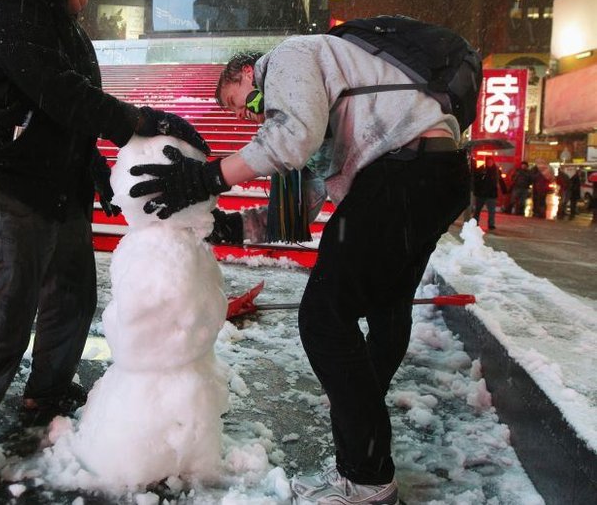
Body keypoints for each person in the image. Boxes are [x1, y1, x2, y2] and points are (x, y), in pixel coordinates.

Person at [129, 42, 470, 505]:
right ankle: (363, 456)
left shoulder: (288, 59)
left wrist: (207, 178)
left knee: (324, 317)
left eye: (236, 102)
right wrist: (230, 226)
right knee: (387, 312)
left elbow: (289, 141)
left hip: (404, 171)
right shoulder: (319, 102)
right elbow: (297, 209)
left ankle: (367, 475)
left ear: (249, 72)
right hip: (432, 174)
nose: (244, 116)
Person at [0, 0, 209, 490]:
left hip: (61, 187)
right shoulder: (11, 5)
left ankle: (49, 389)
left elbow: (69, 120)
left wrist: (101, 177)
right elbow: (55, 91)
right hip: (10, 181)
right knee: (7, 305)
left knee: (72, 293)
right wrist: (140, 120)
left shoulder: (69, 29)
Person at [472, 156, 506, 230]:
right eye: (488, 162)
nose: (489, 163)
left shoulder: (496, 170)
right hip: (481, 193)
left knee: (491, 211)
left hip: (491, 194)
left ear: (493, 162)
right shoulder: (481, 169)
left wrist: (504, 190)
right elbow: (476, 180)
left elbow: (501, 181)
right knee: (477, 210)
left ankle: (491, 224)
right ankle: (475, 223)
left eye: (491, 161)